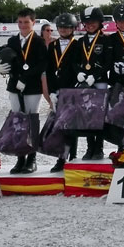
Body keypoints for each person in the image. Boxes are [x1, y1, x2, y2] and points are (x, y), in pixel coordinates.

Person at [0, 8, 48, 173]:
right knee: (17, 120)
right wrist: (1, 69)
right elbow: (9, 61)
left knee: (31, 120)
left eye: (26, 22)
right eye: (20, 22)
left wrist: (26, 78)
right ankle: (20, 157)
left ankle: (32, 158)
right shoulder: (12, 41)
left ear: (33, 22)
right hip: (15, 86)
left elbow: (42, 64)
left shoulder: (39, 42)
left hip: (32, 86)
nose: (23, 25)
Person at [72, 6, 112, 160]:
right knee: (87, 115)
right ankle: (90, 147)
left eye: (93, 22)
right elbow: (75, 61)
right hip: (84, 82)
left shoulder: (106, 40)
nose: (89, 25)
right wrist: (79, 72)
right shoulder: (80, 41)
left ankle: (99, 147)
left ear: (100, 22)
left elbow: (108, 62)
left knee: (99, 116)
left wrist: (95, 75)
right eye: (87, 22)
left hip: (100, 81)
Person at [45, 13, 80, 171]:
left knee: (71, 125)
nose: (63, 30)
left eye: (67, 27)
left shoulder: (78, 45)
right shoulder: (52, 46)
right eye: (61, 27)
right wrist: (52, 91)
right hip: (57, 89)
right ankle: (61, 158)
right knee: (60, 125)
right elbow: (50, 69)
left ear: (73, 28)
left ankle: (72, 156)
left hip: (72, 88)